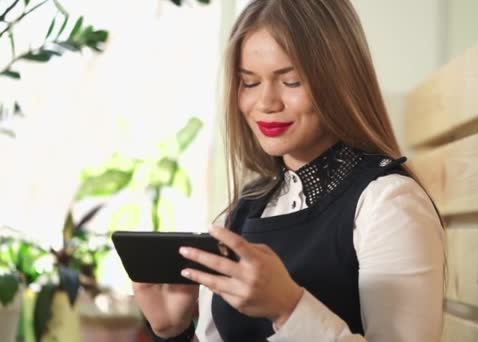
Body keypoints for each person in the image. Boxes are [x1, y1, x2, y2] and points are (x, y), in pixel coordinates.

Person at [132, 0, 445, 341]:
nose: (266, 103)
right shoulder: (241, 212)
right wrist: (174, 333)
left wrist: (289, 309)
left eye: (291, 81)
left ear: (340, 81)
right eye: (249, 82)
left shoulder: (389, 204)